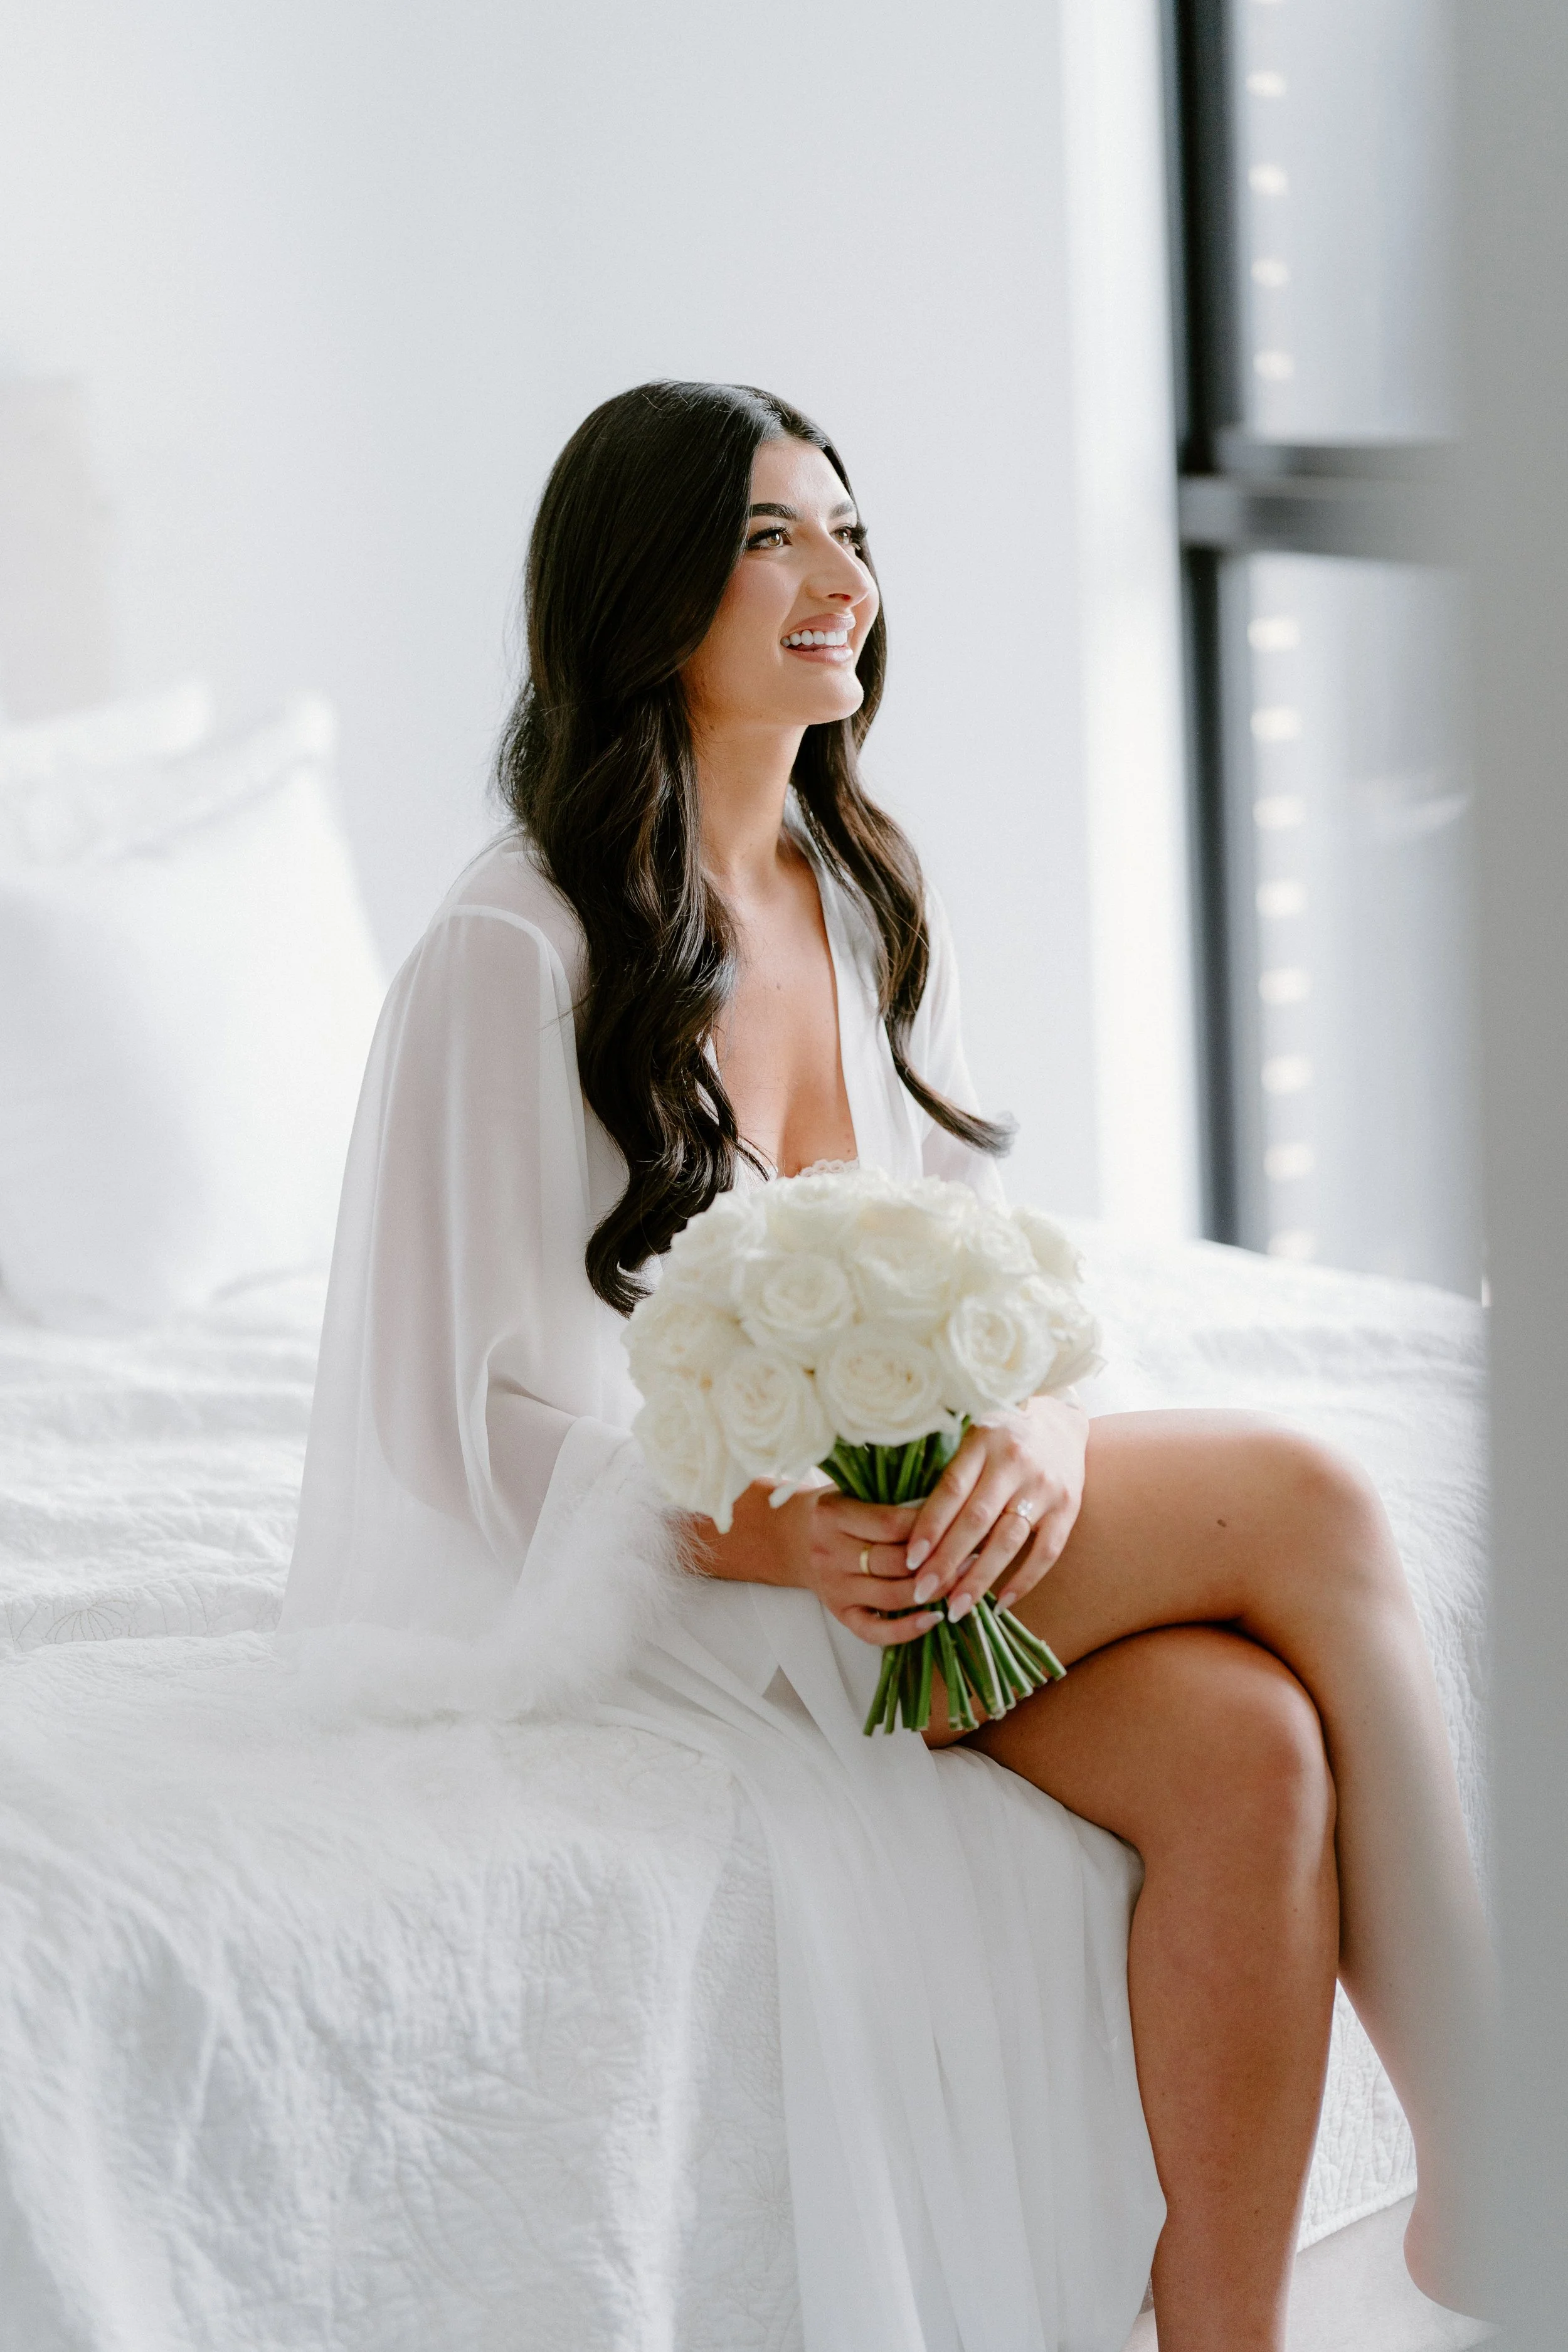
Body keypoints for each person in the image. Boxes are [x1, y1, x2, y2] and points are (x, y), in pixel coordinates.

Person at [283, 380, 1492, 2352]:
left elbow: (959, 1263)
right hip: (692, 1583)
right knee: (1317, 1499)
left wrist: (1024, 1416)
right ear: (641, 584)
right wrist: (768, 1536)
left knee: (1247, 1748)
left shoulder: (843, 888)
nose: (841, 579)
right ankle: (1494, 2136)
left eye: (846, 530)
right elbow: (454, 1430)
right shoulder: (508, 950)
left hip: (889, 1537)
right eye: (773, 536)